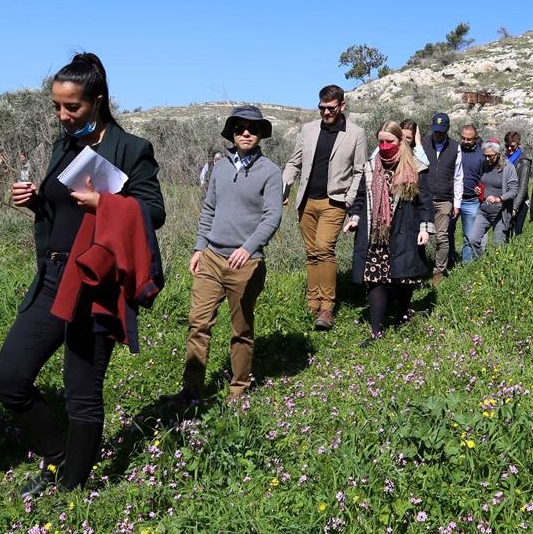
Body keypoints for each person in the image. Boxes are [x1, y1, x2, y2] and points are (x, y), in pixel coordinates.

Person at [0, 53, 165, 499]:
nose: (62, 116)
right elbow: (61, 208)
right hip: (52, 276)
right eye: (57, 106)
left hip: (94, 282)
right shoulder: (63, 145)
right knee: (10, 378)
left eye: (72, 107)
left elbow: (154, 212)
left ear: (98, 101)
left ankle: (72, 487)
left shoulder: (131, 148)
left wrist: (105, 205)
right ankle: (59, 455)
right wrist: (35, 201)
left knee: (81, 390)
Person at [177, 106, 282, 403]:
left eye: (252, 128)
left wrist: (248, 248)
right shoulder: (220, 167)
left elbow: (272, 217)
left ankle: (238, 389)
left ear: (260, 134)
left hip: (246, 263)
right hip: (211, 257)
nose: (245, 133)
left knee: (241, 329)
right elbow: (209, 209)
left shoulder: (271, 172)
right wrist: (199, 247)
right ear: (232, 133)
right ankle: (191, 389)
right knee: (198, 323)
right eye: (239, 128)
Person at [282, 85, 367, 330]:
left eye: (331, 108)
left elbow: (360, 170)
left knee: (324, 248)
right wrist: (284, 186)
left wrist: (349, 199)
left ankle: (327, 307)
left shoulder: (356, 133)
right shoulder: (308, 130)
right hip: (307, 200)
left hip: (334, 201)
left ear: (342, 105)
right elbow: (294, 162)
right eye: (322, 108)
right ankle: (313, 302)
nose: (326, 112)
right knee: (311, 252)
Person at [345, 121, 432, 344]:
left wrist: (425, 228)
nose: (384, 146)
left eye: (389, 141)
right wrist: (354, 217)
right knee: (375, 279)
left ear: (400, 141)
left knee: (402, 277)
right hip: (376, 231)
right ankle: (376, 330)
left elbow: (425, 201)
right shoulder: (371, 167)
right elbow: (361, 197)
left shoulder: (415, 166)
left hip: (404, 227)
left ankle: (402, 315)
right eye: (381, 141)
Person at [420, 112, 462, 286]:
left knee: (442, 238)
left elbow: (458, 177)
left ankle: (438, 272)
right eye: (436, 131)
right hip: (423, 198)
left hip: (444, 200)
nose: (438, 134)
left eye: (441, 131)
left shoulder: (455, 147)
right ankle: (419, 272)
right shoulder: (422, 143)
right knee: (419, 236)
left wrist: (457, 203)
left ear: (447, 129)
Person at [467, 138, 518, 257]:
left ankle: (497, 266)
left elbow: (513, 191)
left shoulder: (508, 167)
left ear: (498, 154)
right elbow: (482, 182)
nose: (487, 158)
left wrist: (499, 198)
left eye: (490, 156)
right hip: (484, 210)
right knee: (473, 239)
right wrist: (478, 189)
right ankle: (483, 262)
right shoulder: (484, 165)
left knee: (498, 245)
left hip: (500, 212)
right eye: (485, 155)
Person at [457, 123, 484, 262]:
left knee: (469, 236)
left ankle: (466, 264)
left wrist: (480, 187)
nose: (465, 141)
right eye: (463, 138)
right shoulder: (456, 150)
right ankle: (449, 260)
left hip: (471, 200)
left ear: (476, 138)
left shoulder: (481, 154)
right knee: (446, 233)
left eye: (469, 139)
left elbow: (485, 176)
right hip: (453, 199)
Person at [505, 131, 533, 238]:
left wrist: (515, 207)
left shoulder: (524, 162)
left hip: (519, 202)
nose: (509, 149)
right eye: (507, 146)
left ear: (518, 144)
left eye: (512, 146)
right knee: (505, 231)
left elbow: (523, 187)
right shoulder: (505, 158)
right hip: (507, 199)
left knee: (516, 233)